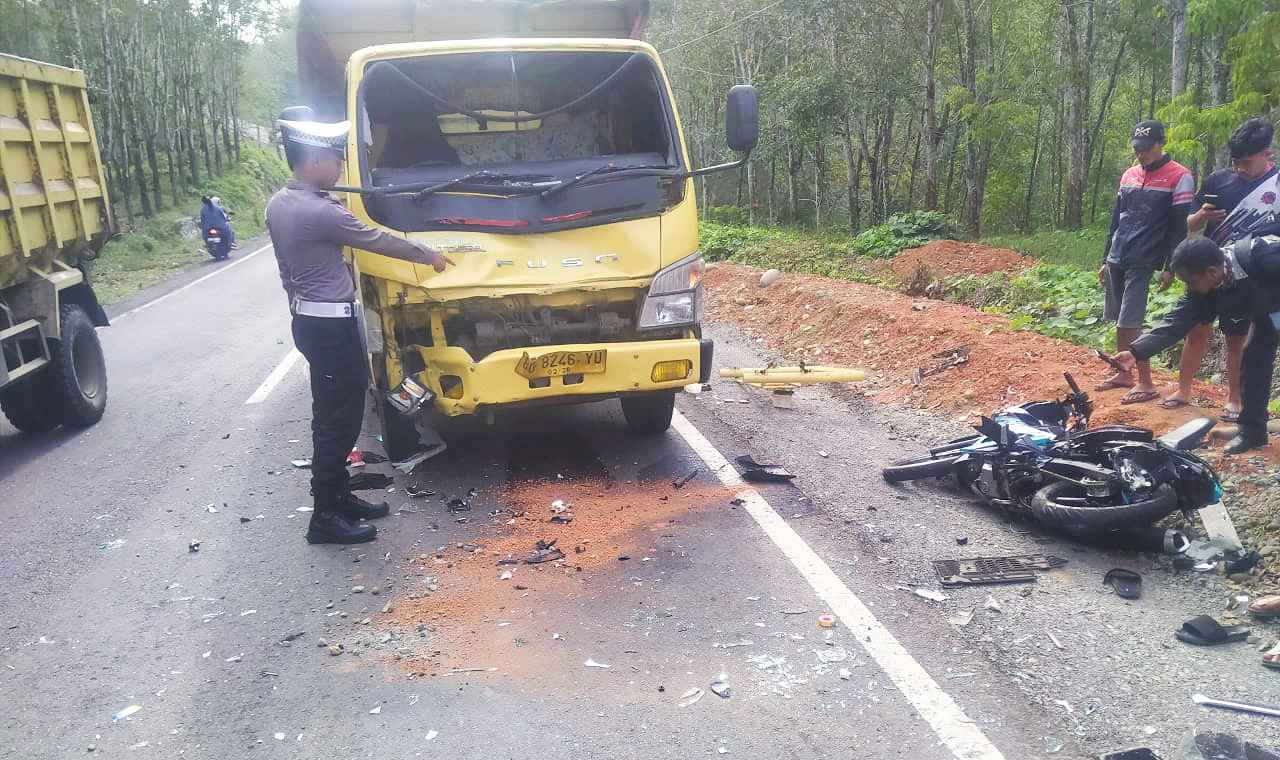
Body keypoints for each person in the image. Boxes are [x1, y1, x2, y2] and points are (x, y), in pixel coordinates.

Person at [267, 111, 454, 544]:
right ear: (314, 160)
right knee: (338, 420)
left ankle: (338, 498)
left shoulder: (281, 202)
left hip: (310, 320)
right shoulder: (319, 211)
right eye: (335, 160)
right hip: (329, 328)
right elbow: (377, 239)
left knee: (332, 415)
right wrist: (428, 255)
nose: (339, 168)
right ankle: (324, 517)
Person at [1110, 232, 1280, 455]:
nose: (1190, 287)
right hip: (1270, 310)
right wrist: (1136, 351)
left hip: (1274, 302)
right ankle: (1253, 431)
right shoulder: (1208, 283)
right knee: (1254, 359)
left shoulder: (1267, 259)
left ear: (1211, 272)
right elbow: (1177, 320)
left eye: (1191, 281)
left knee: (1257, 352)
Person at [1161, 118, 1278, 419]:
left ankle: (1235, 398)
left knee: (1237, 339)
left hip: (1247, 276)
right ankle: (1183, 389)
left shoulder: (1277, 185)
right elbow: (1187, 223)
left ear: (1267, 154)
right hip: (1206, 271)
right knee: (1196, 329)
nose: (1238, 168)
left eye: (1246, 162)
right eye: (1235, 162)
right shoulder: (1218, 180)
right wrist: (1203, 216)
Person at [1097, 119, 1195, 405]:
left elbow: (1178, 227)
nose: (1141, 154)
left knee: (1131, 321)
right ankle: (1124, 374)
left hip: (1145, 257)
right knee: (1120, 320)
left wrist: (1170, 266)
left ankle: (1146, 382)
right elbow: (1116, 220)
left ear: (1161, 144)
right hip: (1118, 254)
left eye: (1147, 148)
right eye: (1137, 149)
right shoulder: (1129, 174)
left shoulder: (1179, 176)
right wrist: (1105, 258)